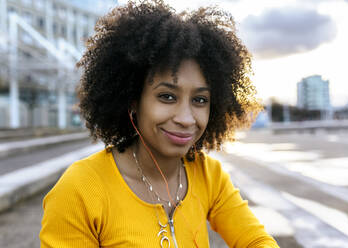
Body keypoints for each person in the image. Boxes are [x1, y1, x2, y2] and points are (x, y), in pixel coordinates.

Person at [40, 1, 280, 247]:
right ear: (133, 100)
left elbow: (257, 241)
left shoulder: (209, 176)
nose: (186, 118)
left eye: (199, 100)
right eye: (167, 96)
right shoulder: (78, 190)